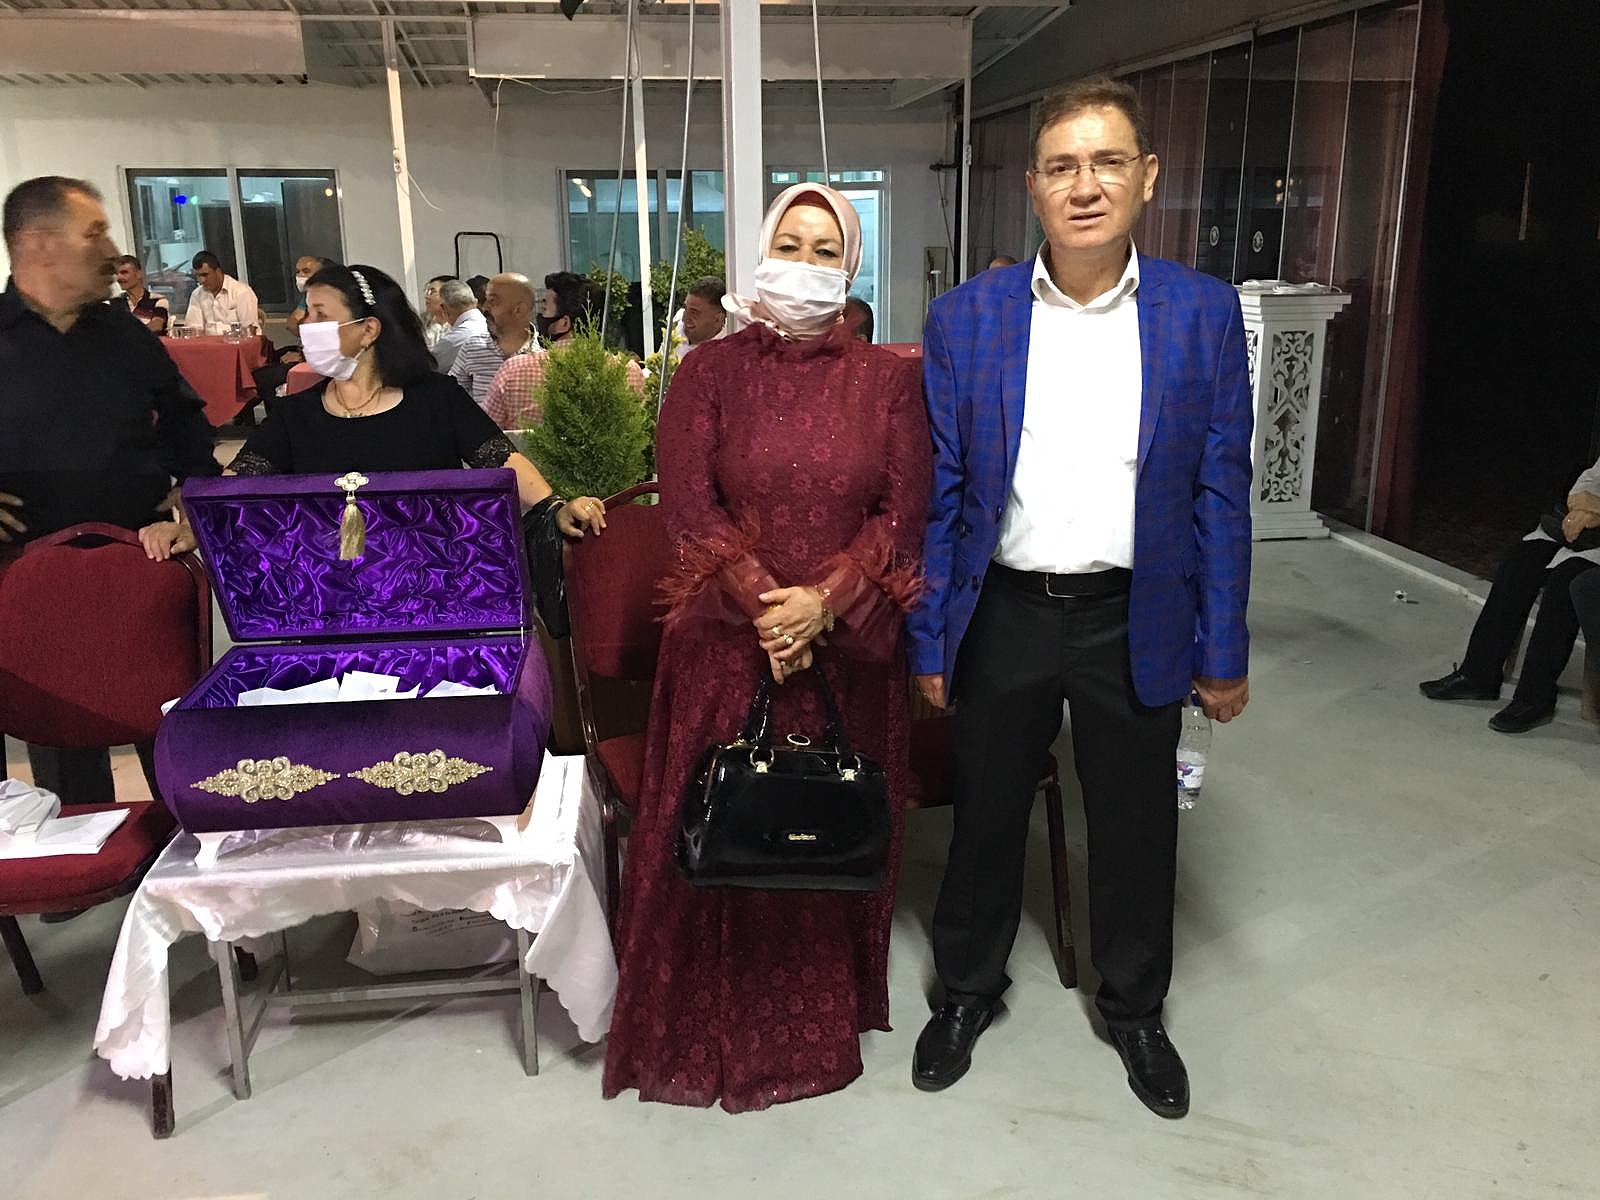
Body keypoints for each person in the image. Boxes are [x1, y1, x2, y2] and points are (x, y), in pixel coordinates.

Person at [907, 78, 1254, 1119]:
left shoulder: (1200, 313)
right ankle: (966, 992)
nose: (1085, 185)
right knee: (985, 818)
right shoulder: (967, 318)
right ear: (1033, 187)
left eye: (1107, 162)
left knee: (1137, 826)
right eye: (1062, 166)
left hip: (1134, 614)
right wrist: (932, 637)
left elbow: (1221, 490)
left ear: (1146, 178)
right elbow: (944, 492)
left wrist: (1222, 648)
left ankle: (1136, 1009)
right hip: (1004, 612)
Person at [603, 183, 931, 1112]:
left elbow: (903, 511)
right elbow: (687, 504)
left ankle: (816, 1027)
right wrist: (765, 606)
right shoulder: (709, 372)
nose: (805, 263)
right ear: (761, 252)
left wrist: (824, 605)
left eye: (826, 251)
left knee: (819, 827)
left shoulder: (888, 381)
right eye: (790, 244)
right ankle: (698, 1027)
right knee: (722, 820)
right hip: (724, 645)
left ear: (851, 270)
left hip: (844, 652)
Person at [0, 176, 219, 817]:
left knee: (169, 729)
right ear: (38, 244)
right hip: (28, 573)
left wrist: (195, 500)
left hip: (139, 562)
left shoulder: (124, 335)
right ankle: (81, 850)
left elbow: (185, 424)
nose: (111, 251)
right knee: (62, 741)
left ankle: (182, 842)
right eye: (93, 233)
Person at [139, 264, 605, 561]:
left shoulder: (436, 399)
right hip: (329, 600)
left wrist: (555, 507)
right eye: (306, 312)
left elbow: (501, 460)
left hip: (430, 588)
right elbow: (237, 482)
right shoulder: (295, 414)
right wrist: (190, 526)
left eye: (321, 314)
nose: (305, 324)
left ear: (368, 330)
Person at [1420, 454, 1600, 733]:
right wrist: (1581, 507)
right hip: (1585, 530)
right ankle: (1478, 674)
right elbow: (1590, 478)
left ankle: (1535, 697)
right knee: (1520, 561)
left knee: (1565, 582)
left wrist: (1595, 511)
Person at [483, 331, 646, 431]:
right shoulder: (628, 369)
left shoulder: (515, 369)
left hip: (527, 474)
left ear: (564, 322)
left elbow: (485, 434)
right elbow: (640, 429)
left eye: (545, 307)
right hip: (611, 474)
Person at [449, 272, 539, 408]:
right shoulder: (473, 347)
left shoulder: (546, 353)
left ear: (519, 309)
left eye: (493, 301)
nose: (484, 308)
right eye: (486, 300)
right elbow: (451, 395)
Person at [180, 250, 259, 335]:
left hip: (236, 341)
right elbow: (193, 329)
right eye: (198, 276)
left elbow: (250, 331)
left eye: (205, 275)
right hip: (208, 342)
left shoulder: (242, 292)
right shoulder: (197, 294)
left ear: (218, 271)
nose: (201, 280)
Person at [433, 279, 487, 375]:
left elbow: (428, 367)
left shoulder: (452, 340)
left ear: (444, 308)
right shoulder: (490, 327)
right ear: (475, 302)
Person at [537, 270, 603, 347]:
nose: (540, 315)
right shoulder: (606, 352)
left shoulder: (550, 353)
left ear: (564, 323)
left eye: (544, 309)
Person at [112, 255, 169, 334]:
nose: (119, 278)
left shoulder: (158, 300)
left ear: (139, 274)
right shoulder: (114, 303)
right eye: (117, 273)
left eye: (124, 272)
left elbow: (156, 326)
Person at [676, 276, 728, 355]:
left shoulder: (728, 352)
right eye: (685, 307)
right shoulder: (676, 327)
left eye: (694, 312)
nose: (684, 318)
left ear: (718, 319)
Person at [286, 255, 335, 336]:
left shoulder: (336, 295)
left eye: (306, 271)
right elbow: (293, 320)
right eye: (298, 272)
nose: (300, 275)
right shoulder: (308, 295)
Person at [420, 273, 457, 349]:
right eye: (427, 292)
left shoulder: (460, 325)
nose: (427, 296)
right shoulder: (421, 322)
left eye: (432, 292)